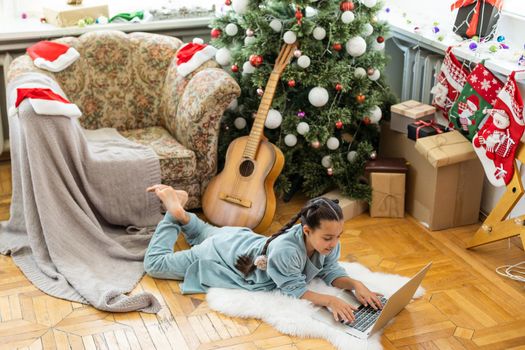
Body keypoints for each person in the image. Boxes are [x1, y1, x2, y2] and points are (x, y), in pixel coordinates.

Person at [144, 184, 383, 323]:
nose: (334, 243)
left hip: (236, 238)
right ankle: (174, 212)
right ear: (307, 230)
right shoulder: (285, 251)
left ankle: (183, 212)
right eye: (328, 238)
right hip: (220, 254)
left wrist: (355, 284)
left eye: (338, 235)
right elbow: (295, 289)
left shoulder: (329, 242)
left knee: (206, 232)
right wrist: (331, 299)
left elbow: (331, 271)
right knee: (155, 265)